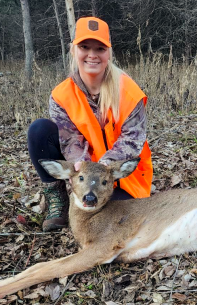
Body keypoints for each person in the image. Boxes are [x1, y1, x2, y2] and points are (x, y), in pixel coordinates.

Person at [28, 16, 153, 232]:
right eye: (85, 47)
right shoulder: (62, 95)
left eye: (100, 48)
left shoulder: (128, 91)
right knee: (39, 130)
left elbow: (133, 140)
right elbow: (69, 140)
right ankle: (58, 199)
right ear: (73, 50)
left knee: (112, 219)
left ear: (109, 53)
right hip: (84, 172)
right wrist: (81, 169)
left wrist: (104, 168)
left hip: (119, 175)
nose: (92, 55)